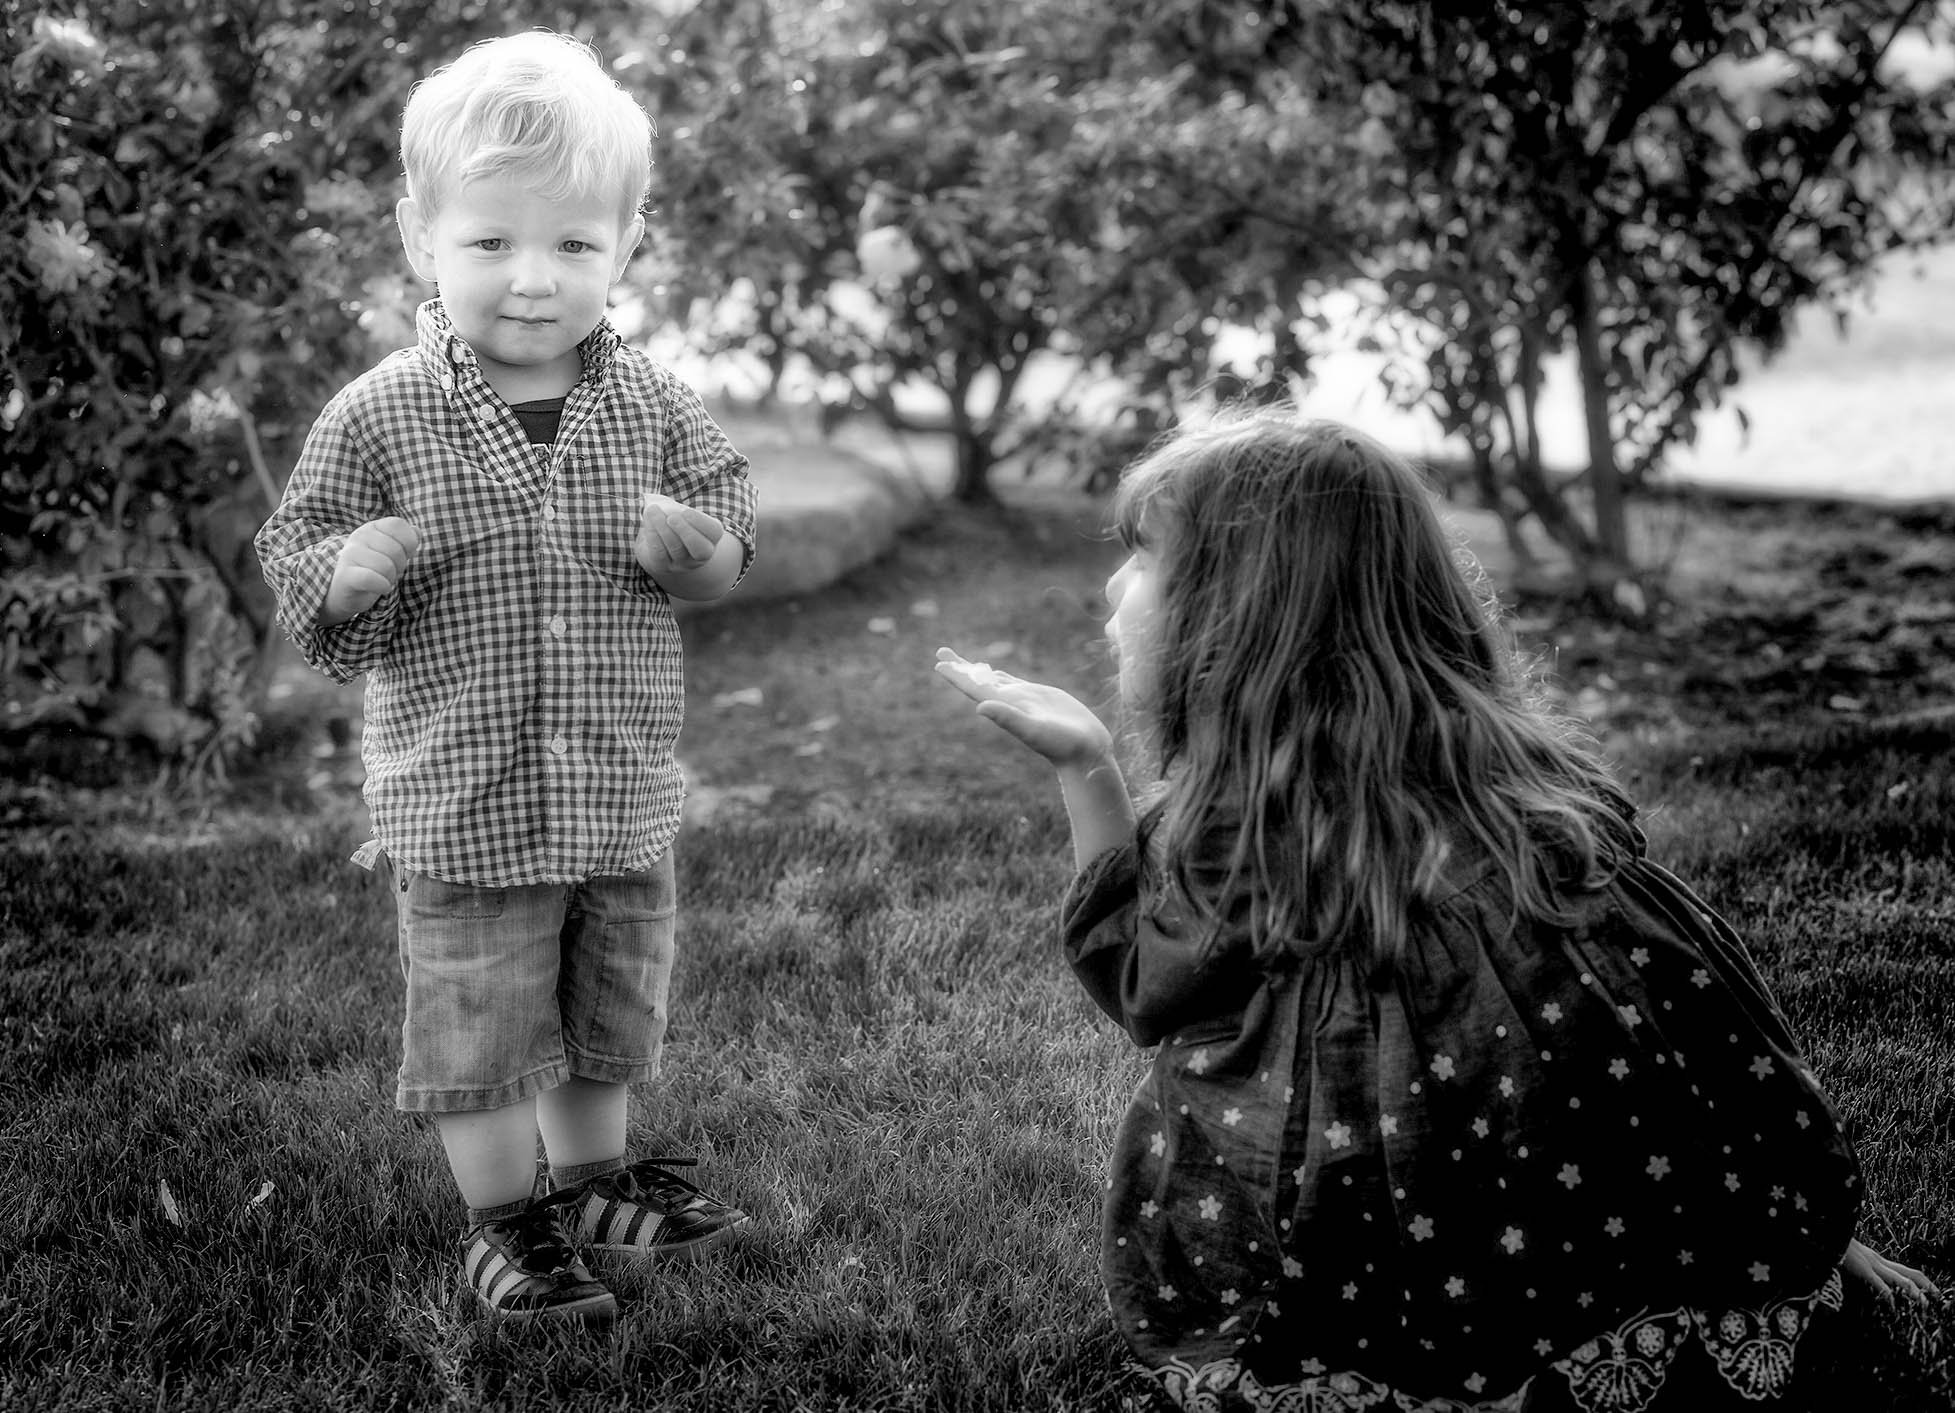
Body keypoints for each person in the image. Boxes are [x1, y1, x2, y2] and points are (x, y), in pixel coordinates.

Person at [934, 410, 1937, 1410]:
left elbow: (1140, 985)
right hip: (1599, 1245)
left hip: (1374, 1263)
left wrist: (1086, 772)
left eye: (1145, 560)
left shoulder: (1244, 834)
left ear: (1236, 619)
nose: (1114, 588)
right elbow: (1712, 1067)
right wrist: (1808, 1240)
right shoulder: (1529, 795)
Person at [256, 31, 758, 1324]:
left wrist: (699, 558)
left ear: (626, 246)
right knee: (480, 1020)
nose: (531, 281)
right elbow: (299, 558)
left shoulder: (647, 400)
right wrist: (345, 574)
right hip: (465, 794)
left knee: (609, 994)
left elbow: (722, 522)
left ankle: (595, 1178)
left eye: (572, 247)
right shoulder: (377, 414)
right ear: (422, 237)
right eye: (490, 244)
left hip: (612, 779)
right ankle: (505, 1224)